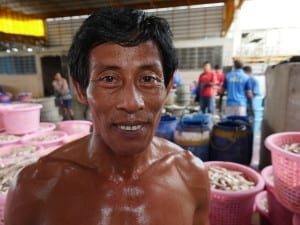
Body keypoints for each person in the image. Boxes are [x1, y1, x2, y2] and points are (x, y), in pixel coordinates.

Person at [5, 8, 210, 225]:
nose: (132, 103)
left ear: (167, 87)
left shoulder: (191, 177)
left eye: (148, 79)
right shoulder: (35, 188)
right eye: (109, 78)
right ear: (81, 89)